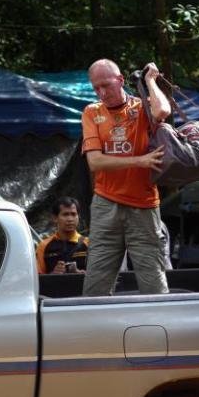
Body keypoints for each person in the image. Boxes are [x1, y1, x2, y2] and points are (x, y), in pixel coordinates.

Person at [80, 58, 171, 296]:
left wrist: (150, 80)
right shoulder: (92, 112)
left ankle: (158, 329)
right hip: (105, 203)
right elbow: (95, 162)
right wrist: (139, 161)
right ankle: (99, 332)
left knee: (153, 282)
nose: (101, 92)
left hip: (143, 205)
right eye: (96, 88)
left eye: (106, 85)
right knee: (95, 285)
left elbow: (163, 110)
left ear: (120, 80)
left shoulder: (141, 107)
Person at [37, 196, 90, 274]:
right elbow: (37, 279)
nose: (70, 219)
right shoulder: (43, 246)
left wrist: (80, 273)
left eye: (73, 214)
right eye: (65, 214)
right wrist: (53, 274)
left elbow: (98, 276)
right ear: (55, 218)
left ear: (78, 217)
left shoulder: (88, 244)